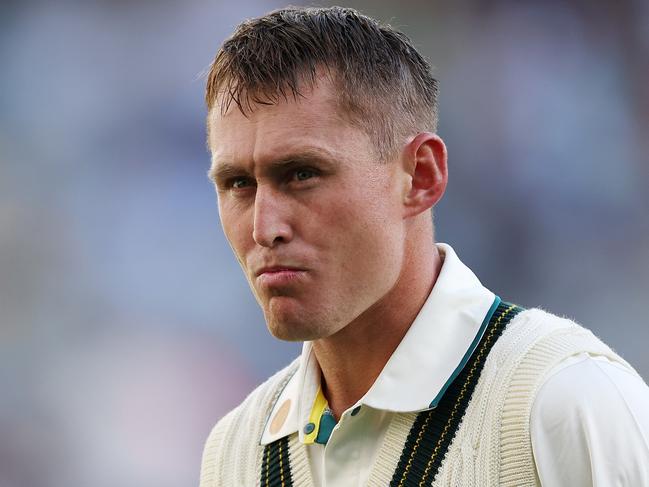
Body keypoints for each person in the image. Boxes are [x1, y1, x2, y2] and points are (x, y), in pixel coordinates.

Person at [199, 6, 649, 487]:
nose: (264, 228)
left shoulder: (566, 400)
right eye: (238, 183)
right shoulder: (235, 452)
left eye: (303, 174)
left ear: (421, 176)